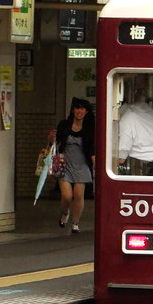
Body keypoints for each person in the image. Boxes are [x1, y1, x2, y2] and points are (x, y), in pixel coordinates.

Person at [48, 97, 95, 234]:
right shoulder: (64, 124)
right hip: (63, 164)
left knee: (78, 195)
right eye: (77, 108)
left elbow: (92, 149)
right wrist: (50, 137)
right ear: (73, 110)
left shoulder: (89, 129)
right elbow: (54, 143)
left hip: (82, 164)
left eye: (82, 109)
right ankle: (65, 212)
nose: (79, 111)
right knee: (67, 196)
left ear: (86, 112)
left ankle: (75, 223)